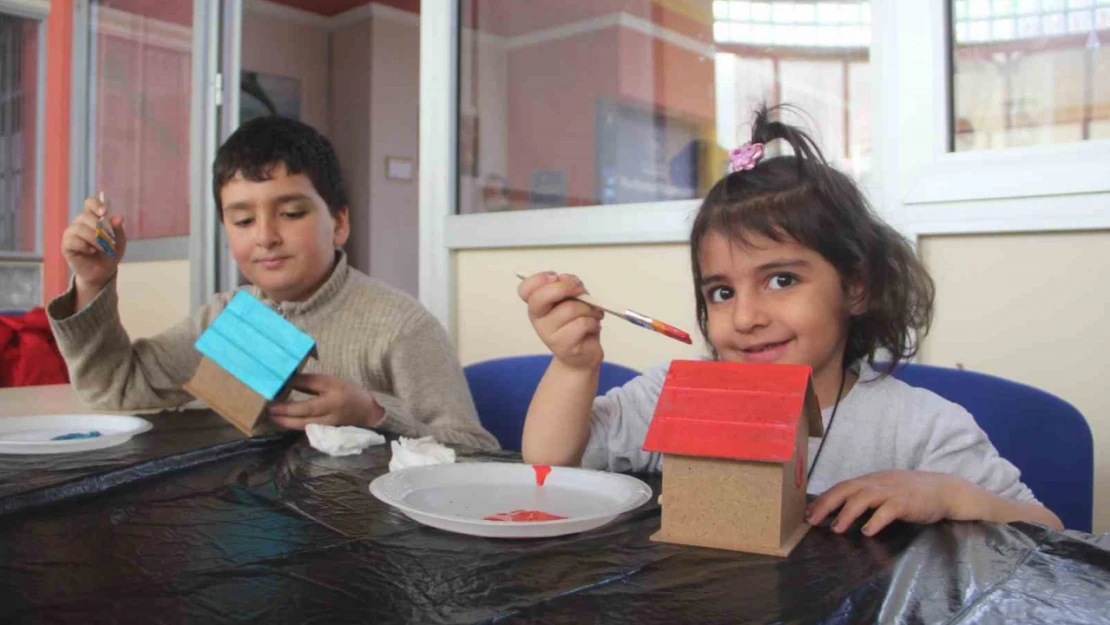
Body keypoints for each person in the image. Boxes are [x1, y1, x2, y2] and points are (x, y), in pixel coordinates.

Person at [517, 105, 1062, 534]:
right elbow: (549, 463)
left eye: (781, 280)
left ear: (855, 287)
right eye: (723, 291)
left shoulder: (922, 428)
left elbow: (1050, 531)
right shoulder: (672, 394)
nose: (747, 317)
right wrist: (573, 365)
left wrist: (950, 495)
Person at [48, 116, 498, 450]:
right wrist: (93, 282)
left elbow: (477, 451)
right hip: (256, 530)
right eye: (243, 219)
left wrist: (374, 413)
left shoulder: (401, 326)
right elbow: (114, 389)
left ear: (339, 224)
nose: (265, 236)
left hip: (366, 541)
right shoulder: (226, 317)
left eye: (291, 213)